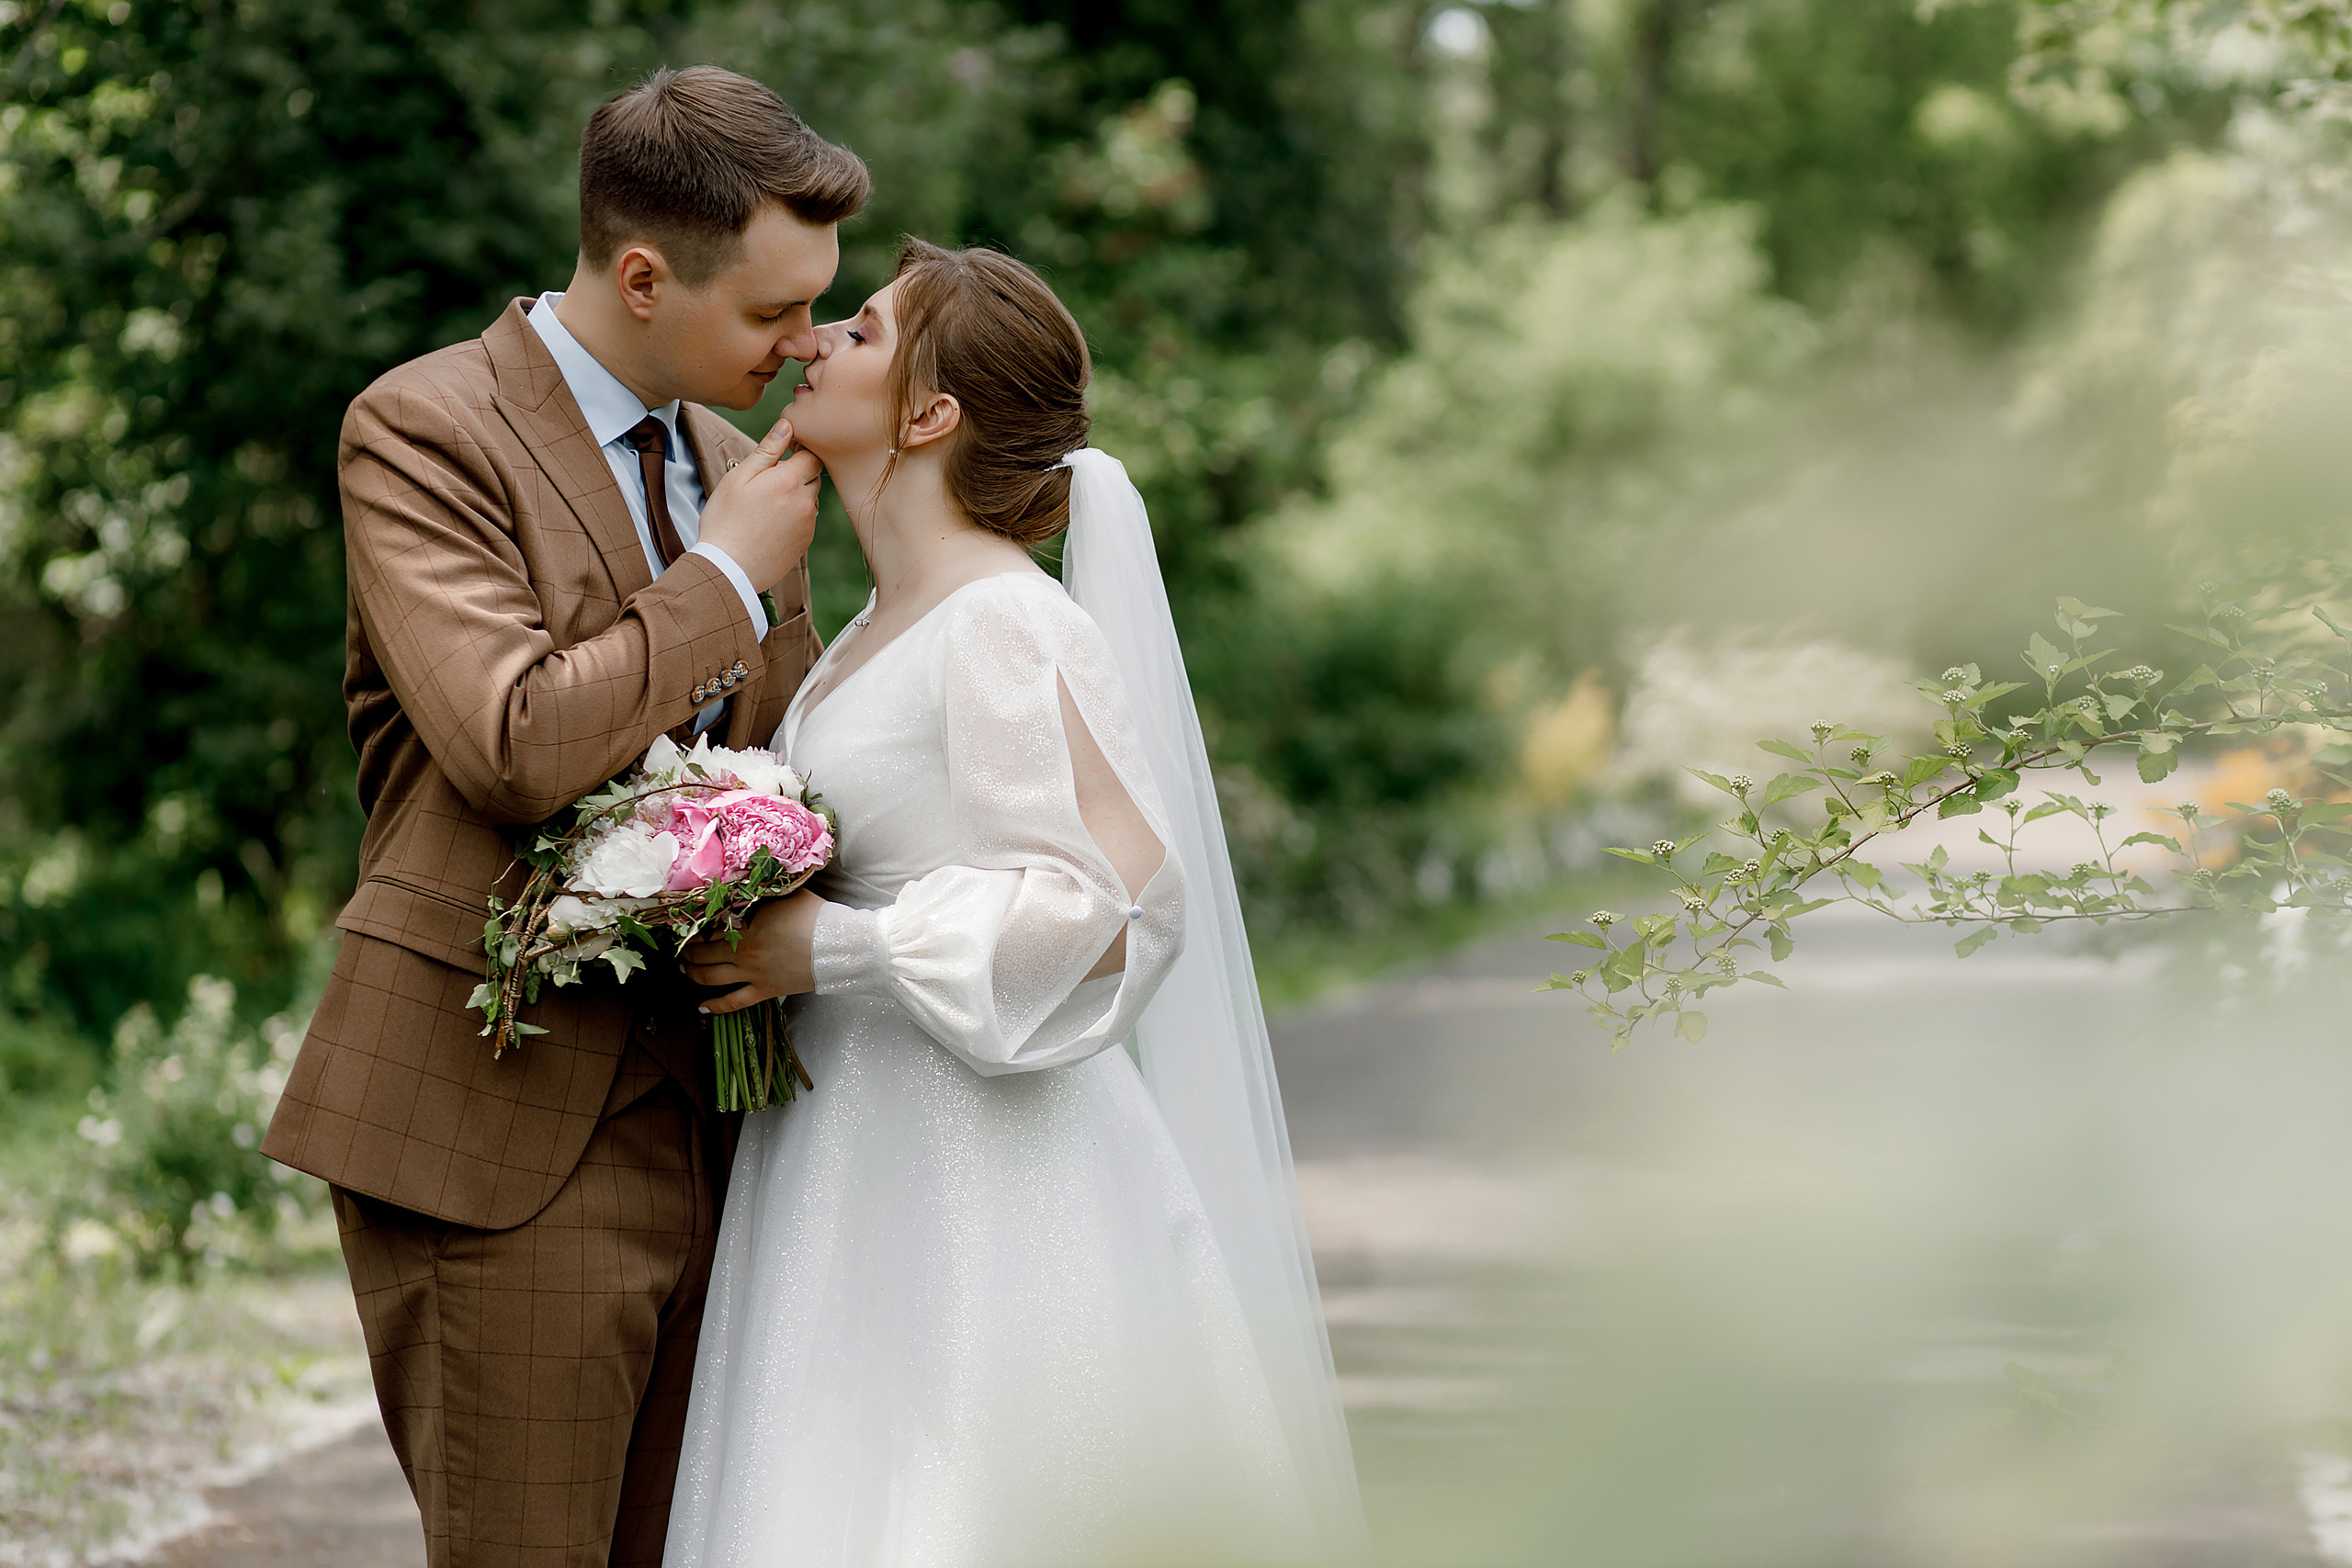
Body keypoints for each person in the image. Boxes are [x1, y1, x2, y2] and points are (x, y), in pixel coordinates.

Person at [663, 241, 1367, 1564]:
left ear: (931, 416)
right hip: (849, 1156)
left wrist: (845, 948)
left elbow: (1116, 908)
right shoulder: (869, 632)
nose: (814, 342)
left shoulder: (1005, 622)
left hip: (987, 1178)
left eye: (860, 331)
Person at [259, 68, 865, 1566]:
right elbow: (513, 740)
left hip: (727, 1127)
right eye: (772, 316)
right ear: (644, 275)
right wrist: (722, 584)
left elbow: (781, 766)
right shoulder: (422, 429)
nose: (802, 351)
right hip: (498, 1123)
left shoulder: (735, 470)